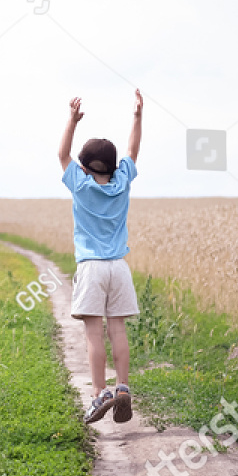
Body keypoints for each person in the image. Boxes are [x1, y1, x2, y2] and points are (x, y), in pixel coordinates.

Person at [57, 90, 143, 425]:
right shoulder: (122, 182)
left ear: (83, 164)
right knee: (117, 330)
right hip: (119, 269)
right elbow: (133, 150)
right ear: (113, 165)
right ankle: (122, 387)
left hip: (91, 268)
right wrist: (137, 116)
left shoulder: (80, 184)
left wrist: (72, 120)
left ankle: (99, 393)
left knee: (94, 334)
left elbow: (60, 153)